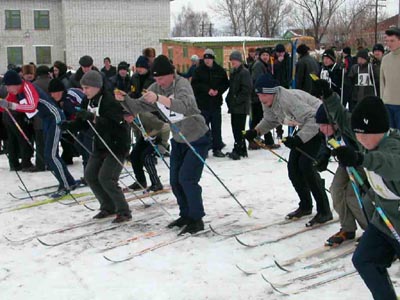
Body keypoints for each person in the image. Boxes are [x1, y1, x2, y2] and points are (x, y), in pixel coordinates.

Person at [115, 55, 210, 235]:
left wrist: (159, 98)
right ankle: (186, 214)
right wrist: (124, 99)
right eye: (156, 79)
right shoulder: (155, 87)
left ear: (171, 74)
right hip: (179, 139)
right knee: (175, 180)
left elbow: (185, 106)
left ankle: (196, 219)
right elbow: (138, 106)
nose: (158, 82)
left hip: (197, 137)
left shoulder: (182, 84)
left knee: (187, 179)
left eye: (161, 78)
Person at [331, 95, 400, 300]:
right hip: (385, 222)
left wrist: (361, 158)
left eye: (363, 135)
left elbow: (391, 164)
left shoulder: (392, 147)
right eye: (358, 135)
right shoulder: (369, 140)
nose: (359, 139)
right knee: (364, 259)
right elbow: (345, 120)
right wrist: (329, 97)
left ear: (379, 130)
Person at [244, 73, 332, 226]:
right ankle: (305, 206)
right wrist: (256, 131)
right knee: (293, 168)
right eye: (259, 95)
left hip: (320, 124)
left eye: (264, 94)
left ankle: (324, 210)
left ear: (272, 92)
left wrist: (298, 139)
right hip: (305, 126)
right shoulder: (269, 101)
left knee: (306, 166)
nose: (261, 99)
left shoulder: (287, 100)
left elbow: (314, 118)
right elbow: (270, 119)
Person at [61, 70, 132, 223]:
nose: (84, 91)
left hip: (116, 144)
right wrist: (70, 126)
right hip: (100, 144)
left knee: (106, 177)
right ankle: (107, 206)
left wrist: (94, 118)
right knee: (90, 175)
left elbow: (115, 124)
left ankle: (123, 210)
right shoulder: (87, 101)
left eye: (86, 88)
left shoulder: (109, 100)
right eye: (83, 88)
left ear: (96, 86)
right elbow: (82, 121)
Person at [0, 70, 78, 196]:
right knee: (49, 154)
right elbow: (6, 105)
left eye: (8, 86)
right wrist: (4, 104)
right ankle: (68, 181)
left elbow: (31, 106)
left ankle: (67, 184)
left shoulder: (28, 87)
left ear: (15, 83)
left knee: (50, 155)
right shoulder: (16, 92)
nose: (7, 89)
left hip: (55, 117)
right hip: (46, 120)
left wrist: (10, 105)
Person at [313, 80, 368, 246]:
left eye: (323, 125)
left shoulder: (347, 125)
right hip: (346, 164)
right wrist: (323, 157)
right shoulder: (329, 132)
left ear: (333, 123)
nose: (321, 129)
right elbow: (328, 144)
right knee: (336, 190)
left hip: (363, 161)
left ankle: (372, 231)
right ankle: (348, 228)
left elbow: (339, 110)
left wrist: (328, 96)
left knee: (352, 196)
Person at [191, 48, 229, 158]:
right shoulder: (198, 71)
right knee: (204, 127)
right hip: (203, 103)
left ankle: (217, 148)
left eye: (209, 59)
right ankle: (204, 148)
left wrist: (218, 91)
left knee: (217, 127)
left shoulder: (220, 70)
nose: (207, 61)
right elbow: (195, 85)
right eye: (205, 59)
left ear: (213, 59)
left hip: (216, 103)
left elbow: (225, 84)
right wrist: (207, 90)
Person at [125, 111, 169, 192]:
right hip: (146, 138)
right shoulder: (131, 121)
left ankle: (156, 183)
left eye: (128, 116)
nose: (126, 118)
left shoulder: (146, 117)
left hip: (158, 137)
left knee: (146, 157)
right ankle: (141, 181)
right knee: (134, 156)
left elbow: (164, 127)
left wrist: (163, 144)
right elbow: (138, 132)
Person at [48, 78, 84, 165]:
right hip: (68, 123)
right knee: (65, 137)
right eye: (51, 93)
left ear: (61, 91)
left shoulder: (72, 94)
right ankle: (68, 156)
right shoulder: (53, 100)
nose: (52, 95)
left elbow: (85, 103)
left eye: (54, 93)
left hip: (82, 120)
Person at [250, 47, 280, 149]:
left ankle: (266, 140)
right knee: (259, 118)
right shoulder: (259, 65)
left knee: (261, 118)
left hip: (262, 95)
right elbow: (257, 81)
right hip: (258, 96)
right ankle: (253, 140)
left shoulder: (265, 65)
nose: (265, 57)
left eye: (267, 55)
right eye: (263, 55)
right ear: (260, 56)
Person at [225, 51, 252, 160]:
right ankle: (240, 148)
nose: (233, 63)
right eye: (231, 61)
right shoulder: (234, 72)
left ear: (239, 61)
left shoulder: (244, 72)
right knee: (235, 128)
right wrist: (229, 99)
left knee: (239, 128)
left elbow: (247, 89)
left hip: (241, 106)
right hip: (234, 106)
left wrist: (236, 99)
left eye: (234, 61)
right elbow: (232, 88)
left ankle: (239, 148)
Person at [380, 27, 400, 129]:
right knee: (391, 136)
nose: (389, 43)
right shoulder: (385, 59)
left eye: (392, 41)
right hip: (387, 104)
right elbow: (382, 82)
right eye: (387, 41)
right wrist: (382, 100)